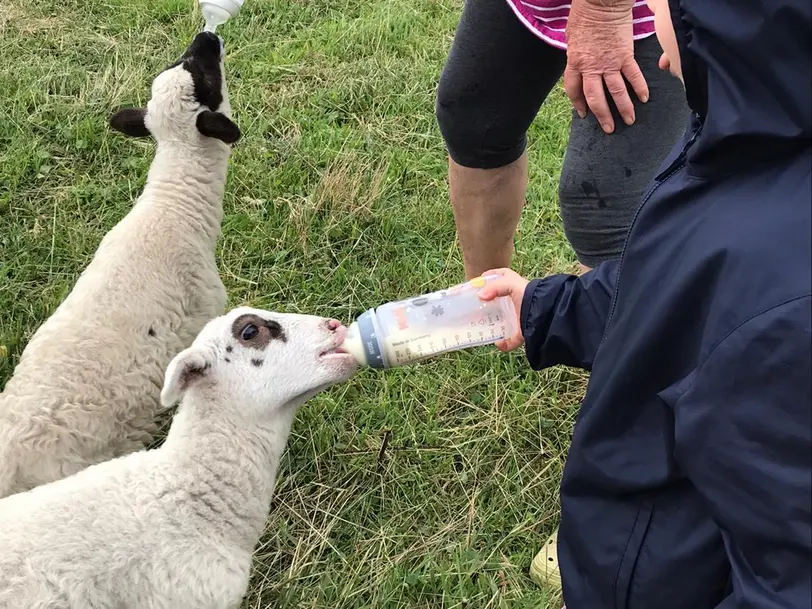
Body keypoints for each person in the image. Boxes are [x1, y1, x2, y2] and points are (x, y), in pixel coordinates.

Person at [478, 0, 812, 606]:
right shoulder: (745, 153)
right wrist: (548, 309)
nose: (646, 12)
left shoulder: (787, 316)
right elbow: (669, 285)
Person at [436, 0, 689, 278]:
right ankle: (487, 311)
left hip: (640, 11)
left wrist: (602, 10)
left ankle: (609, 319)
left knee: (606, 204)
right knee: (475, 126)